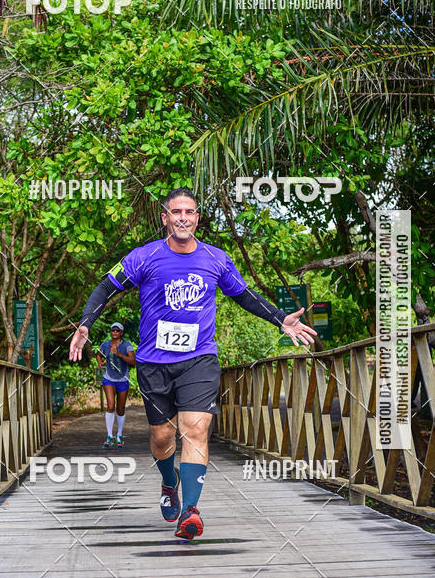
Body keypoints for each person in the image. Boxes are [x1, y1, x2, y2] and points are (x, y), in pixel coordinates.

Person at [69, 187, 317, 540]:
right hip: (154, 363)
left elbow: (244, 295)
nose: (183, 217)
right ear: (165, 217)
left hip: (199, 359)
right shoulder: (144, 256)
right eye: (176, 212)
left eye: (190, 212)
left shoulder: (216, 259)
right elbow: (105, 288)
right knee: (162, 437)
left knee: (196, 429)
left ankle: (191, 510)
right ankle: (169, 483)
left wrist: (280, 319)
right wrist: (85, 324)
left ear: (197, 218)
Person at [96, 322, 136, 448]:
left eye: (117, 331)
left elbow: (133, 361)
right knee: (111, 405)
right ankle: (109, 435)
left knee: (120, 409)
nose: (114, 332)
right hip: (109, 378)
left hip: (123, 379)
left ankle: (119, 434)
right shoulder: (105, 344)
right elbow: (98, 354)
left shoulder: (127, 345)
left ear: (121, 333)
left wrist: (119, 354)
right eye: (112, 330)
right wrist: (100, 363)